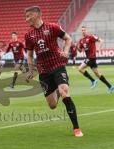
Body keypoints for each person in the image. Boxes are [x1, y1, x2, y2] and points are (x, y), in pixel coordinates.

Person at [25, 6, 83, 137]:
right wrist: (30, 70)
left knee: (65, 92)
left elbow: (68, 39)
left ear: (36, 15)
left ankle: (76, 128)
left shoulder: (52, 27)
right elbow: (29, 55)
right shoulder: (28, 35)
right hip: (43, 71)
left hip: (58, 65)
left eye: (28, 16)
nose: (26, 19)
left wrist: (66, 51)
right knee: (52, 105)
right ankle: (56, 90)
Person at [77, 26, 114, 92]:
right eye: (82, 30)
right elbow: (80, 50)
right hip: (90, 58)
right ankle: (110, 86)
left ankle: (93, 81)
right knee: (97, 74)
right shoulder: (81, 40)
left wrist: (99, 48)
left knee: (80, 68)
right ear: (81, 31)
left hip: (91, 57)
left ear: (86, 30)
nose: (83, 31)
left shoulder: (90, 37)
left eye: (84, 30)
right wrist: (75, 46)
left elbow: (101, 41)